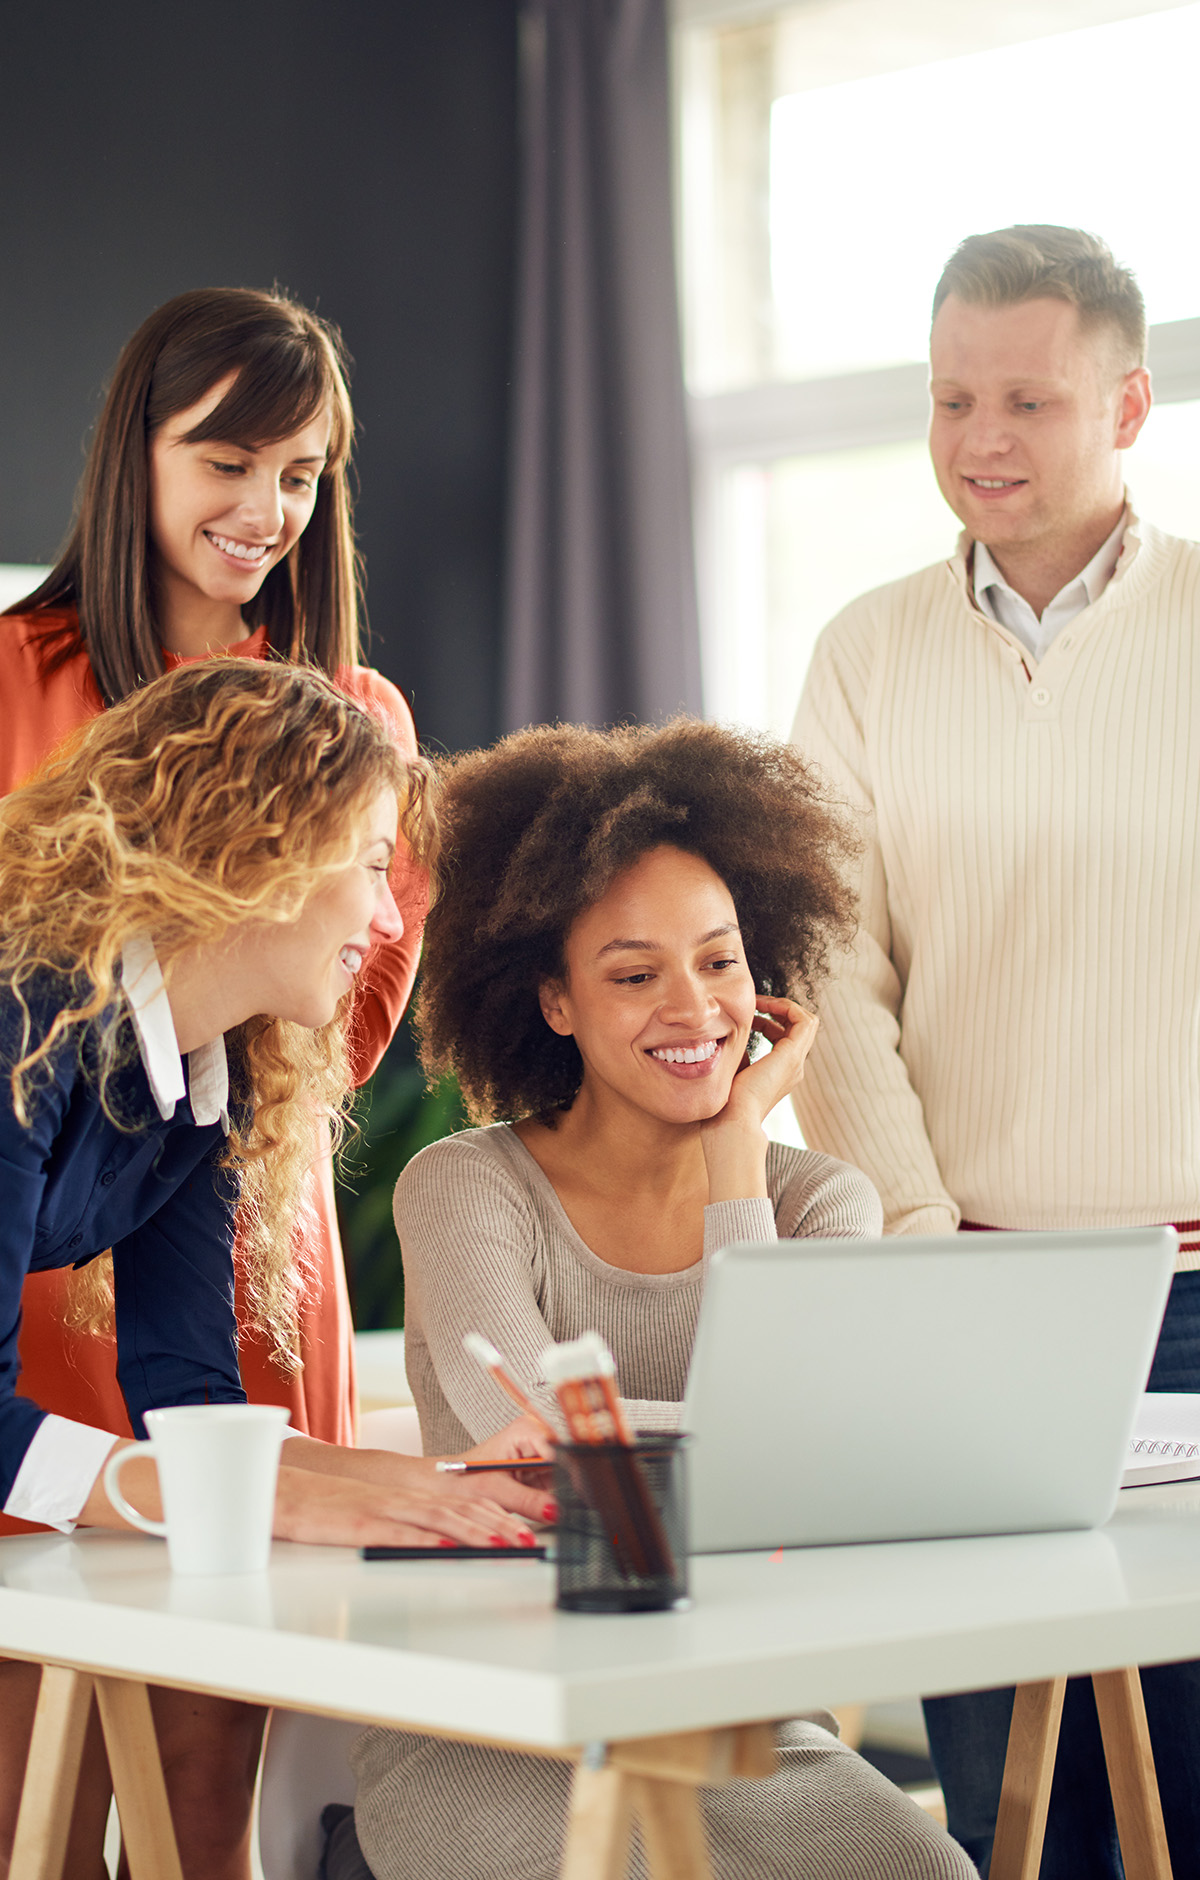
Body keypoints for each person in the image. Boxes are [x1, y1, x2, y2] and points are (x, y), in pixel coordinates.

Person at [321, 719, 976, 1880]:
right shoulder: (467, 1185)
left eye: (720, 960)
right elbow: (541, 1443)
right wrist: (736, 1446)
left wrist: (738, 1160)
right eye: (634, 974)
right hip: (495, 1716)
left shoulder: (824, 1201)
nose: (694, 1006)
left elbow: (791, 1463)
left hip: (739, 1719)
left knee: (928, 1868)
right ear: (556, 1003)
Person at [791, 225, 1200, 1878]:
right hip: (968, 1304)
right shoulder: (865, 650)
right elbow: (826, 957)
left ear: (1130, 403)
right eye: (951, 397)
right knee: (1011, 1819)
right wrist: (914, 1229)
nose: (980, 440)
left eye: (1026, 399)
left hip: (1192, 1295)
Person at [0, 287, 425, 1878]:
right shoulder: (12, 675)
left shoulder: (350, 718)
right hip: (32, 1252)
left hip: (224, 1190)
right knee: (39, 1736)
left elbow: (328, 1030)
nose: (268, 509)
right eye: (229, 459)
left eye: (302, 473)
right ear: (139, 456)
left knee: (213, 1755)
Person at [0, 662, 551, 1880]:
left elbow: (183, 1389)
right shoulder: (18, 1017)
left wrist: (413, 1484)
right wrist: (250, 1491)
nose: (392, 919)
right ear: (251, 846)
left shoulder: (207, 1068)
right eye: (367, 863)